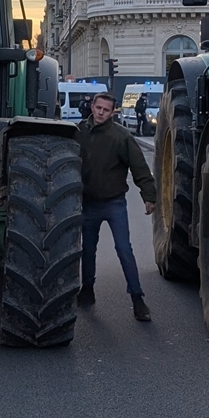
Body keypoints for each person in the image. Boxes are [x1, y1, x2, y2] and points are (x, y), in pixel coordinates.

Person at [75, 93, 156, 321]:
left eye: (105, 110)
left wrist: (149, 195)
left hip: (114, 203)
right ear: (92, 107)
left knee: (124, 250)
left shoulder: (121, 137)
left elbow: (139, 167)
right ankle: (87, 290)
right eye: (98, 108)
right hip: (88, 203)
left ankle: (137, 299)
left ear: (113, 112)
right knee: (88, 250)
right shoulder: (79, 133)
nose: (100, 113)